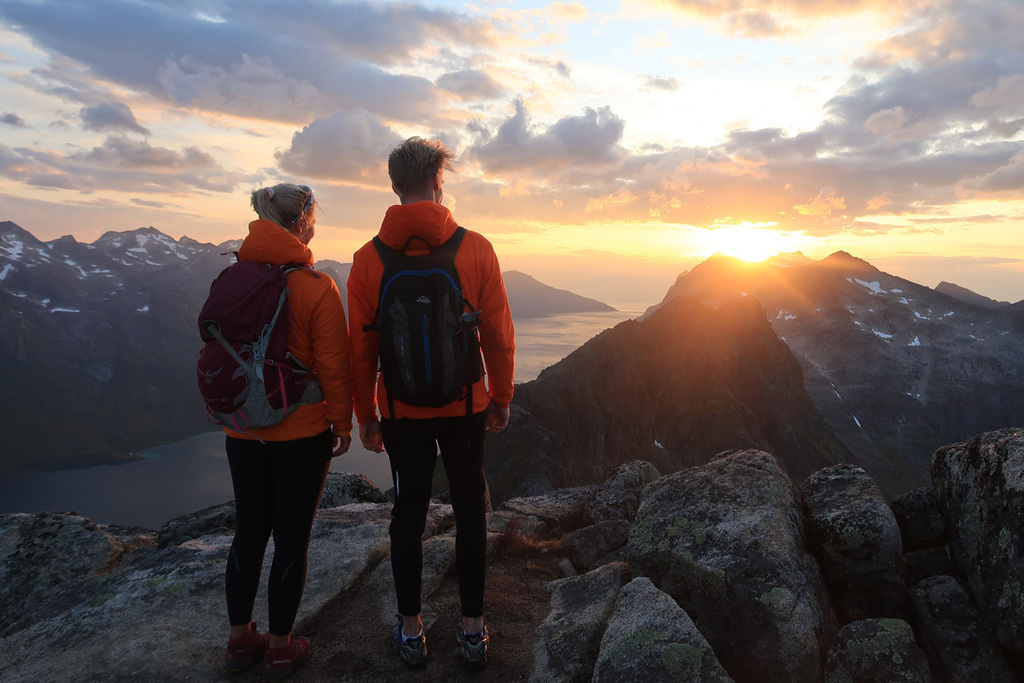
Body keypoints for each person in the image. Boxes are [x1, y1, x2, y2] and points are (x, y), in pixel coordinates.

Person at [347, 138, 515, 668]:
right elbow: (499, 336)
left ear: (395, 187)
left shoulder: (367, 260)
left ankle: (412, 631)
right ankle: (471, 630)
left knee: (408, 514)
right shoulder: (475, 248)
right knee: (469, 509)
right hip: (465, 406)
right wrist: (501, 397)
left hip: (401, 412)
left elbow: (361, 351)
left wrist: (367, 416)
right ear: (438, 181)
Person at [220, 183, 354, 681]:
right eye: (313, 218)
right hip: (300, 434)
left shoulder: (234, 276)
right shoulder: (315, 286)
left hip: (243, 429)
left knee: (248, 531)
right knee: (290, 538)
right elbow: (335, 368)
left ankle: (238, 642)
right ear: (301, 222)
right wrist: (343, 424)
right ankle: (279, 647)